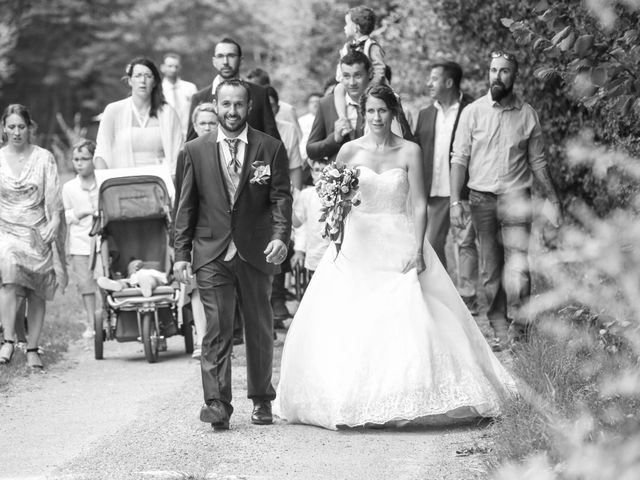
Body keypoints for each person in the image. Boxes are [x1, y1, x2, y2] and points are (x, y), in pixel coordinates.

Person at [274, 85, 515, 430]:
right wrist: (335, 231)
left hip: (399, 240)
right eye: (370, 111)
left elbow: (418, 203)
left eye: (382, 111)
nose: (376, 118)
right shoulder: (348, 151)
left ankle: (415, 394)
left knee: (410, 313)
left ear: (393, 112)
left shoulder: (410, 151)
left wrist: (418, 249)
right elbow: (335, 202)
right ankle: (348, 396)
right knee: (349, 319)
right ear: (363, 113)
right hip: (357, 244)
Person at [173, 79, 292, 431]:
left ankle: (261, 399)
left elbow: (280, 198)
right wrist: (181, 254)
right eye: (226, 104)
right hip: (211, 251)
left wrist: (281, 237)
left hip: (256, 250)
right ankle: (217, 403)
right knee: (217, 328)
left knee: (258, 327)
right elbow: (186, 206)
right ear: (216, 103)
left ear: (248, 106)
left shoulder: (269, 147)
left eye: (239, 104)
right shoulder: (195, 150)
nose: (232, 111)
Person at [450, 52, 563, 347]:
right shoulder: (472, 112)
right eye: (493, 70)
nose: (497, 76)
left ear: (515, 76)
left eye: (504, 71)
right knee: (491, 269)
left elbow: (538, 162)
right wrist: (454, 202)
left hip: (516, 199)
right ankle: (500, 330)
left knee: (520, 268)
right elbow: (459, 160)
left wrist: (554, 199)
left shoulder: (527, 115)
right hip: (481, 200)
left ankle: (522, 331)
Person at [0, 104, 64, 369]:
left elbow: (53, 200)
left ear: (29, 128)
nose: (16, 132)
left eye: (21, 127)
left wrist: (56, 221)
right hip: (6, 230)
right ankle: (9, 339)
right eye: (12, 127)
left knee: (38, 289)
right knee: (10, 272)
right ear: (4, 128)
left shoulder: (44, 158)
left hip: (37, 230)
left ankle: (33, 348)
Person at [414, 61, 479, 313]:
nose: (429, 84)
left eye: (434, 79)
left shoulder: (471, 109)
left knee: (464, 242)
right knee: (432, 241)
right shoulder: (425, 114)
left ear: (449, 82)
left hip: (462, 189)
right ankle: (444, 291)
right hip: (433, 191)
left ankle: (468, 294)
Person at [307, 51, 413, 164]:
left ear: (370, 73)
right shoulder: (327, 104)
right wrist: (334, 138)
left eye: (357, 75)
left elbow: (408, 142)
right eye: (346, 76)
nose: (352, 83)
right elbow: (311, 150)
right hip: (341, 177)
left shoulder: (386, 101)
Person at [174, 102, 217, 359]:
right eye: (203, 123)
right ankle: (202, 339)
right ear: (194, 126)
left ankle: (220, 337)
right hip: (199, 228)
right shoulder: (187, 153)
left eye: (212, 122)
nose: (208, 127)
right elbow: (182, 197)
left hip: (223, 230)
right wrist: (180, 239)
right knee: (198, 286)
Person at [94, 57, 184, 177]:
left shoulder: (168, 113)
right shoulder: (113, 110)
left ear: (155, 82)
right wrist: (105, 182)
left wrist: (172, 184)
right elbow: (102, 151)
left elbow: (177, 154)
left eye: (148, 76)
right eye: (138, 76)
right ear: (130, 80)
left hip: (160, 183)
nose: (143, 80)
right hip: (122, 182)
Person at [186, 38, 280, 142]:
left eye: (231, 56)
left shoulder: (259, 94)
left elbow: (273, 140)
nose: (225, 62)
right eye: (220, 56)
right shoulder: (199, 98)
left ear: (241, 60)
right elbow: (190, 145)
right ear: (214, 61)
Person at [62, 139, 99, 338]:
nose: (79, 163)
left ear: (93, 159)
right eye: (76, 159)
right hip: (79, 242)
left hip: (101, 242)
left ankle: (109, 318)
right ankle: (91, 324)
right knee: (85, 285)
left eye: (84, 158)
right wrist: (79, 214)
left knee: (103, 281)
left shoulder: (102, 183)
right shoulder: (69, 187)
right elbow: (64, 215)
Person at [333, 5, 386, 129]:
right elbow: (341, 68)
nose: (345, 28)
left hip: (369, 83)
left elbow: (379, 68)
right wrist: (342, 79)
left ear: (356, 28)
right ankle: (342, 117)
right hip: (351, 82)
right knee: (339, 88)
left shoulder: (372, 46)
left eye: (347, 24)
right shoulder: (347, 47)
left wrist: (372, 84)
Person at [290, 158, 331, 276]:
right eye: (317, 170)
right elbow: (297, 223)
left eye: (324, 170)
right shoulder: (307, 194)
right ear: (312, 173)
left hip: (332, 254)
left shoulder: (338, 195)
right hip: (314, 254)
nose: (320, 174)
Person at [246, 67, 302, 140]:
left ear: (266, 87)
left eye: (254, 87)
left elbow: (298, 136)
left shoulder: (287, 110)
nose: (251, 91)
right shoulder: (247, 108)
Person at [160, 53, 198, 138]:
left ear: (180, 68)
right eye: (170, 66)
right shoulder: (158, 90)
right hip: (166, 136)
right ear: (162, 67)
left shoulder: (190, 88)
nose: (173, 69)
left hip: (189, 136)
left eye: (176, 66)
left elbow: (196, 113)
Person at [297, 92, 322, 165]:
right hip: (302, 156)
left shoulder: (327, 119)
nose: (315, 104)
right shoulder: (301, 120)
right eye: (312, 102)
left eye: (317, 102)